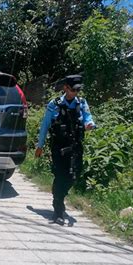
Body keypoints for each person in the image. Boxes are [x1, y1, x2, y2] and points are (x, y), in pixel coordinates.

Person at [35, 75, 95, 225]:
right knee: (61, 175)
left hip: (75, 146)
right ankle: (58, 209)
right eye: (74, 89)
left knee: (74, 175)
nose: (76, 92)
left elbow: (88, 118)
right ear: (65, 88)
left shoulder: (82, 103)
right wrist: (40, 146)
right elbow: (45, 126)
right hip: (59, 147)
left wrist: (90, 124)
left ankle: (59, 193)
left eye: (78, 89)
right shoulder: (54, 104)